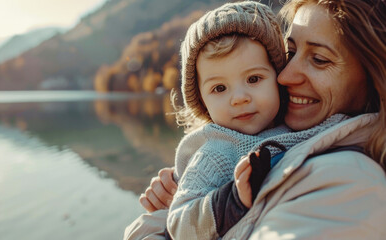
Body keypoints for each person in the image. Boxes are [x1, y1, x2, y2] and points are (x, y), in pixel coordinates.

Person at [125, 0, 386, 239]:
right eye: (291, 52)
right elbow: (182, 223)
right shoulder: (215, 152)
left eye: (318, 59)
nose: (286, 76)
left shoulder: (351, 180)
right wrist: (212, 201)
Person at [162, 2, 291, 239]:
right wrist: (232, 199)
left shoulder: (299, 123)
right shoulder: (214, 153)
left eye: (253, 79)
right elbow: (180, 224)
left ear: (278, 76)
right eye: (220, 88)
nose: (239, 98)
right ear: (201, 100)